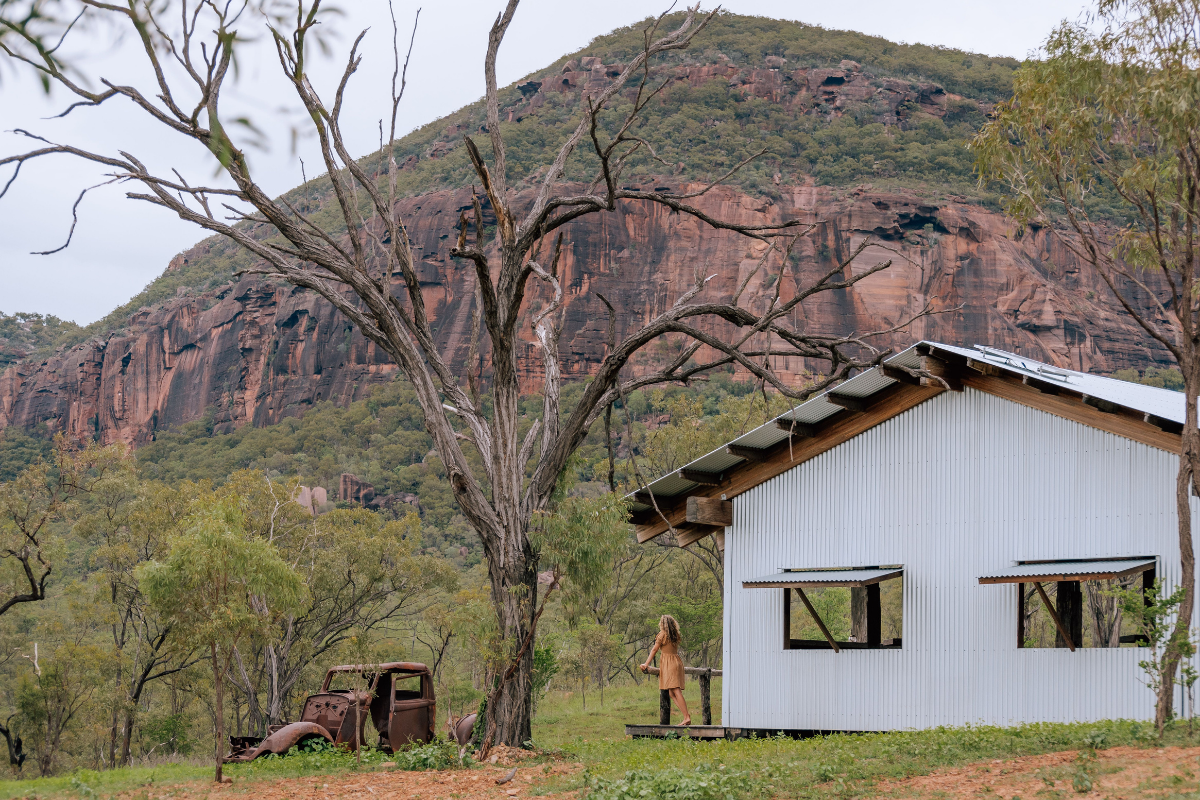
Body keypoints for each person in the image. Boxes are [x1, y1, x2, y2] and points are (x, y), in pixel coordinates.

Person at [640, 614, 691, 726]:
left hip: (669, 663)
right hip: (676, 661)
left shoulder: (662, 634)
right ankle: (686, 715)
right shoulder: (674, 634)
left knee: (676, 690)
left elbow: (654, 650)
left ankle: (686, 716)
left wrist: (646, 664)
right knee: (671, 693)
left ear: (662, 624)